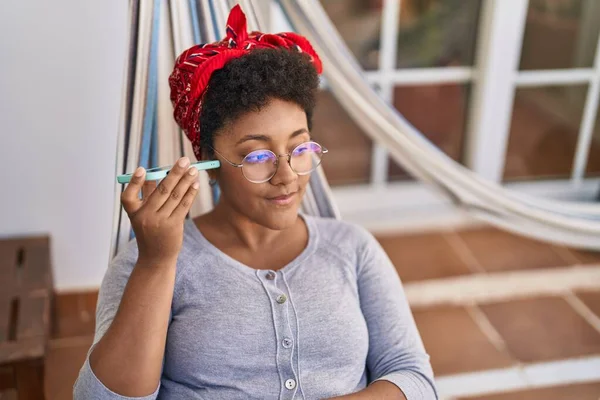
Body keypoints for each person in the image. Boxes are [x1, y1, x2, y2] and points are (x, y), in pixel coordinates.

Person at [74, 5, 437, 400]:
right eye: (257, 157)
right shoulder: (150, 260)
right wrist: (157, 263)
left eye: (299, 149)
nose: (287, 176)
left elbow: (414, 380)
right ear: (209, 165)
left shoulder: (352, 249)